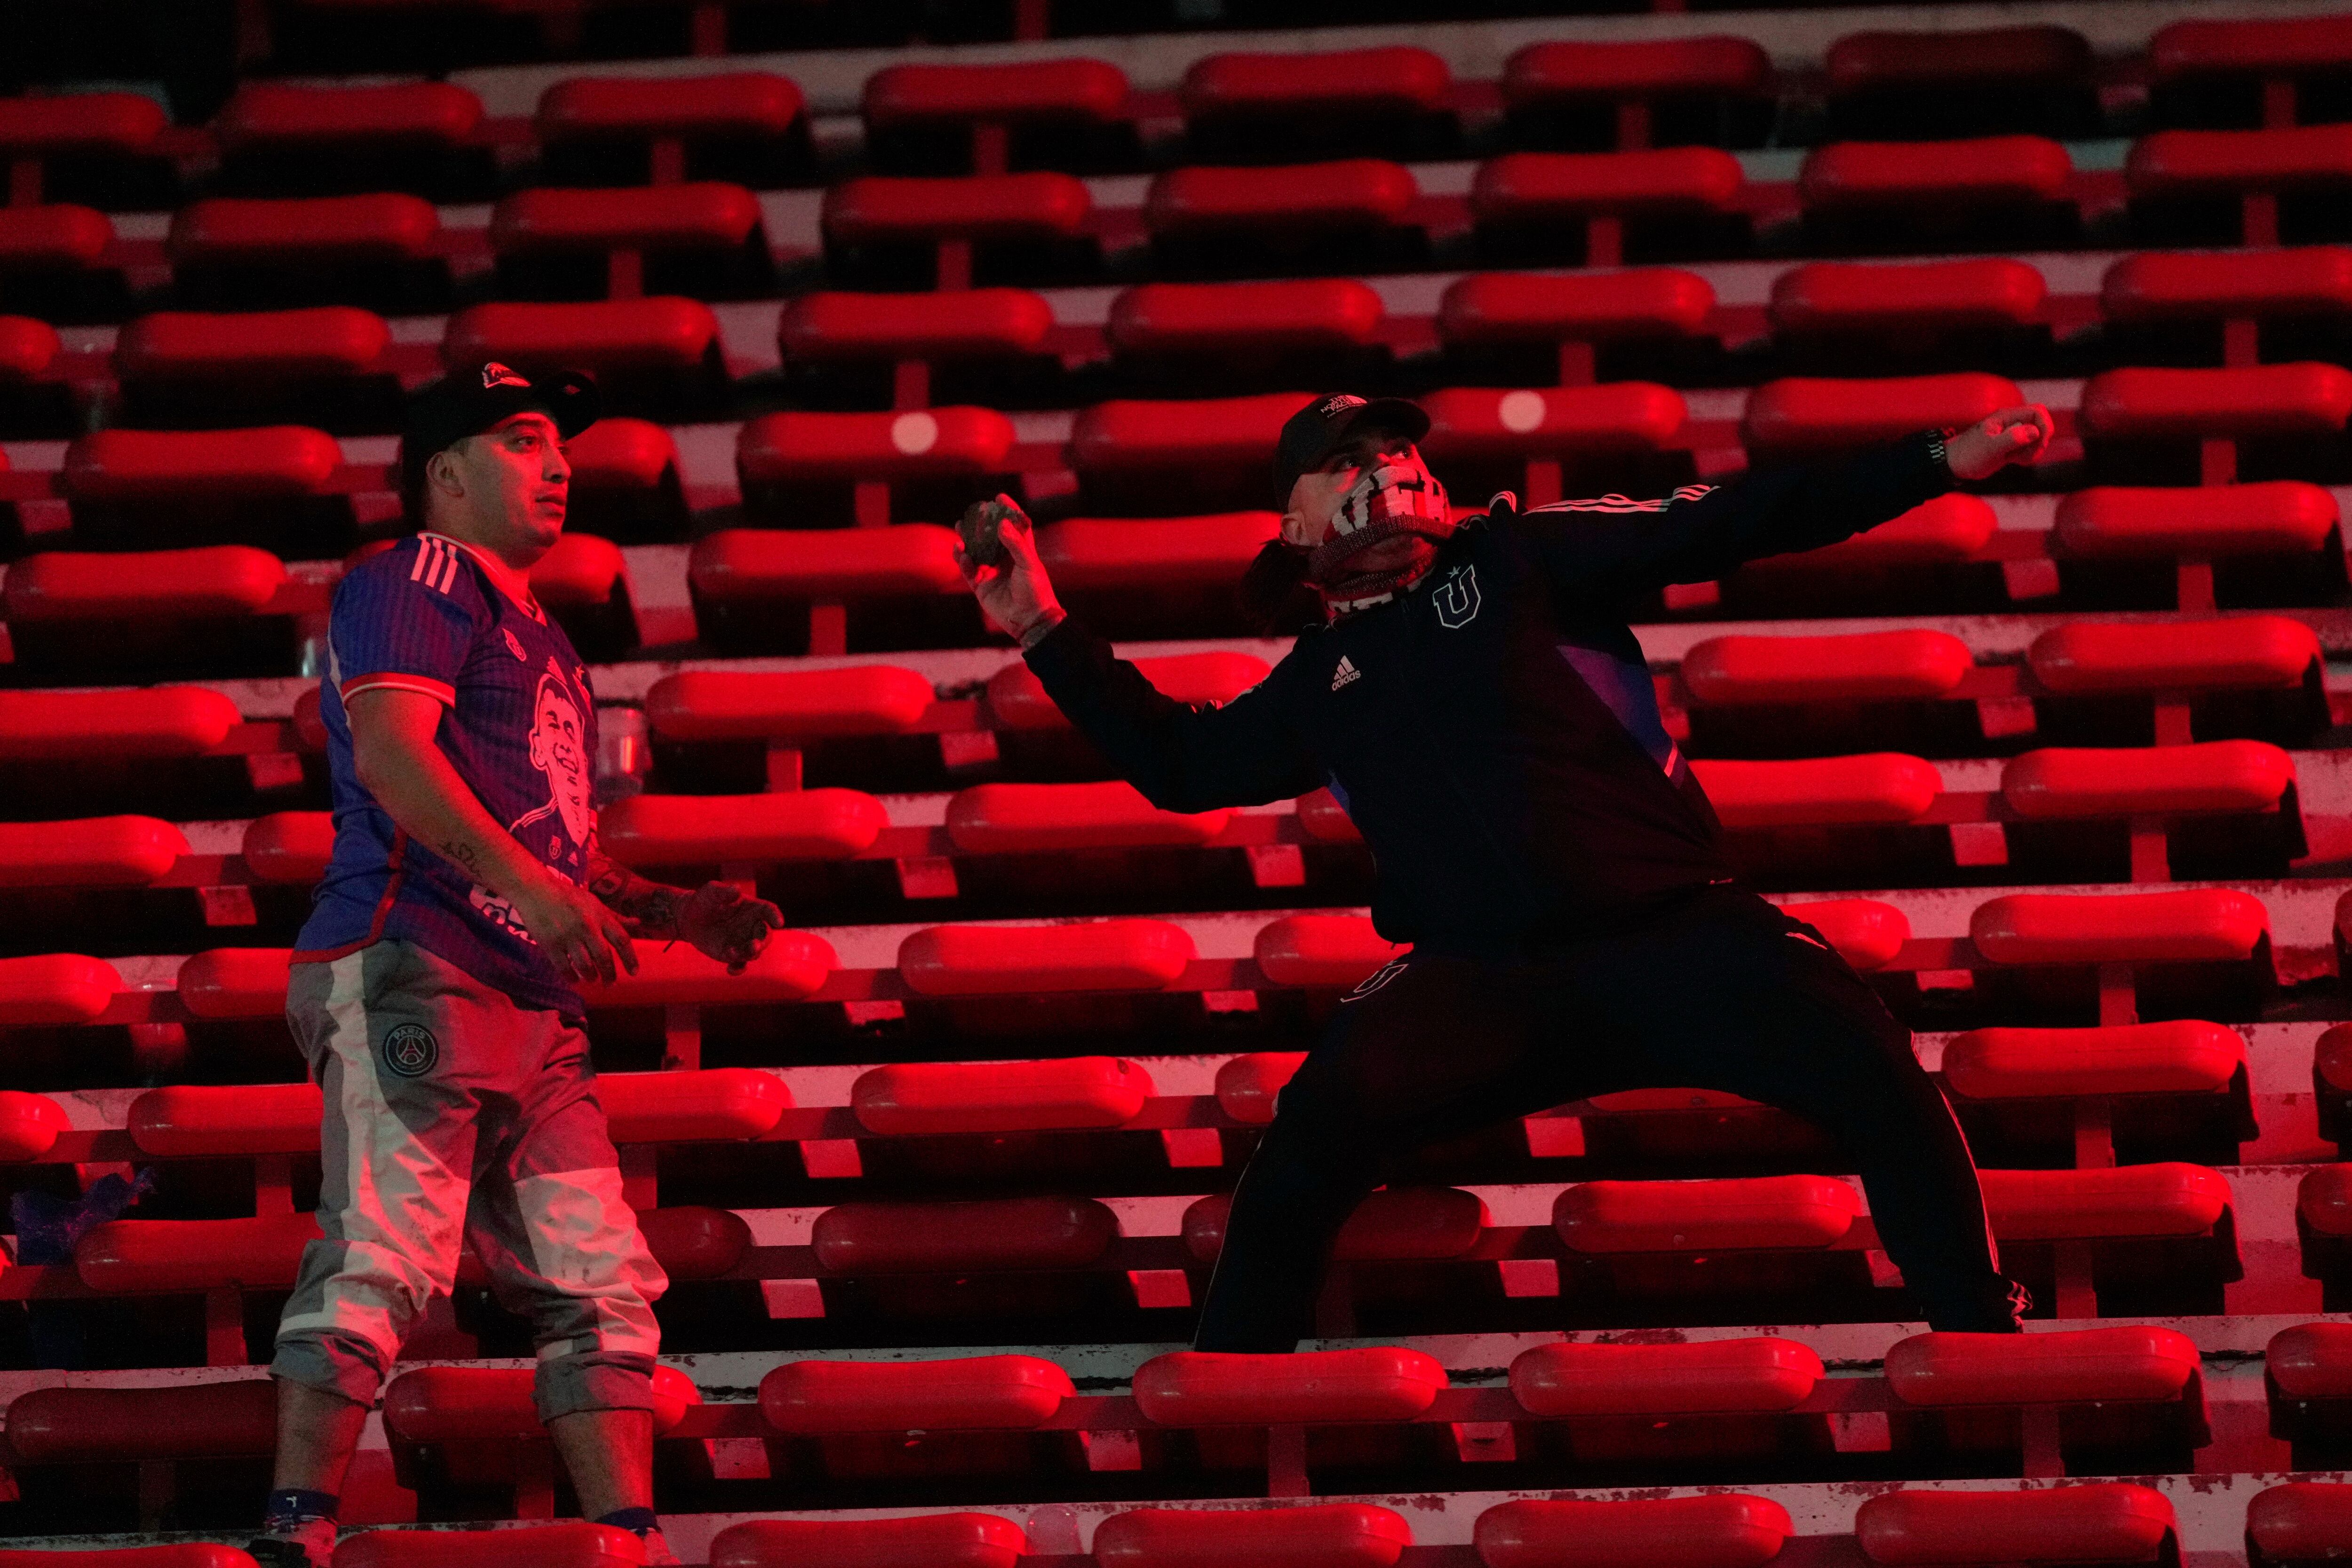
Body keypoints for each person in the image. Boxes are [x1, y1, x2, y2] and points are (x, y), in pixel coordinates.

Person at [955, 393, 2056, 1351]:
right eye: (1349, 459)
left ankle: (1977, 1330)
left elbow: (1732, 516)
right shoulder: (1318, 676)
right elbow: (1181, 765)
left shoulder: (1519, 555)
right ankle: (1230, 1399)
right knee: (1308, 1136)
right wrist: (1042, 625)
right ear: (1293, 522)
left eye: (1396, 448)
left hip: (1678, 928)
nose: (1388, 470)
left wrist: (1933, 459)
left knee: (1869, 1056)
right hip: (1479, 976)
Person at [251, 363, 787, 1567]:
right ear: (444, 472)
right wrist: (543, 895)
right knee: (384, 1251)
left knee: (600, 1277)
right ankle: (293, 1530)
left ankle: (627, 1538)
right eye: (522, 439)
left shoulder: (539, 631)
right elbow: (394, 754)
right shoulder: (418, 574)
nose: (557, 465)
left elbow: (553, 840)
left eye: (559, 445)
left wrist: (671, 910)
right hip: (415, 958)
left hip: (525, 996)